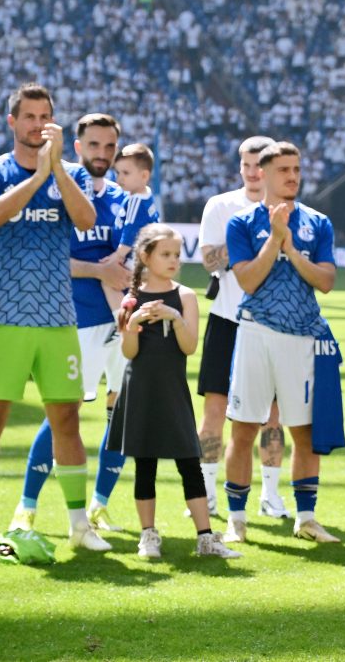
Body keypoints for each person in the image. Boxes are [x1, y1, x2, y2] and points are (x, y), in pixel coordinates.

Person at [0, 83, 109, 552]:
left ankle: (79, 525)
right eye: (29, 116)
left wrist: (56, 168)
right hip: (3, 317)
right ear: (12, 122)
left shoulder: (68, 171)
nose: (38, 124)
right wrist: (38, 178)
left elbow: (85, 218)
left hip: (57, 318)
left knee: (67, 420)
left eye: (45, 116)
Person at [10, 114, 132, 534]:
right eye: (94, 146)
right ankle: (26, 507)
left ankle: (98, 505)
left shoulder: (123, 199)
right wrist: (99, 272)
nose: (102, 154)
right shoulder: (57, 191)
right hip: (75, 322)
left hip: (123, 324)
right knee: (63, 415)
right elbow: (49, 259)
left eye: (109, 147)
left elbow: (137, 256)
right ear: (77, 148)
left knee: (124, 413)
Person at [223, 141, 340, 544]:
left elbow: (326, 281)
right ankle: (236, 519)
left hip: (301, 337)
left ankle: (306, 517)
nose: (292, 176)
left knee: (303, 432)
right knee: (243, 429)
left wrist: (291, 247)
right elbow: (248, 281)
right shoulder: (242, 223)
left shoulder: (318, 223)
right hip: (255, 332)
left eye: (296, 168)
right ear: (263, 173)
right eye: (283, 170)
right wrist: (275, 240)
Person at [108, 224, 241, 559]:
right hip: (139, 389)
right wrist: (134, 320)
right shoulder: (131, 296)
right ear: (145, 256)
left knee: (188, 463)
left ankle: (206, 539)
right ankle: (148, 536)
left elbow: (190, 346)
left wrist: (175, 318)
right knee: (145, 464)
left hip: (173, 390)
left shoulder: (185, 296)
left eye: (177, 255)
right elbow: (129, 353)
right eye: (165, 254)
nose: (173, 261)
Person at [196, 136, 289, 520]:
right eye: (246, 164)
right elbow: (207, 260)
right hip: (226, 319)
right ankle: (206, 491)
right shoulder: (220, 206)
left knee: (272, 414)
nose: (252, 172)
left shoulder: (288, 210)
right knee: (215, 409)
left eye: (258, 165)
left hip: (271, 325)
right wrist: (251, 239)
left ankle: (270, 493)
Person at [101, 143, 160, 316]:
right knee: (137, 297)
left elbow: (131, 230)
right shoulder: (146, 196)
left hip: (134, 260)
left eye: (125, 173)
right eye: (117, 172)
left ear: (144, 175)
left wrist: (117, 256)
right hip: (144, 260)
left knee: (108, 281)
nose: (119, 178)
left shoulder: (135, 200)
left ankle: (121, 323)